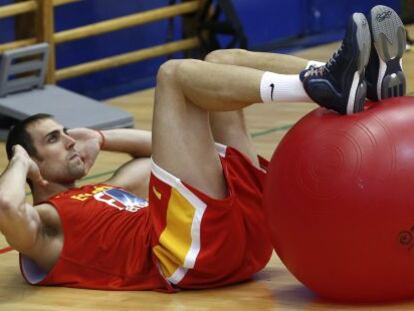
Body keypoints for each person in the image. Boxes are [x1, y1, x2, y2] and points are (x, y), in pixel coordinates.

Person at [0, 5, 406, 291]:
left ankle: (353, 83)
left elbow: (162, 150)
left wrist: (103, 138)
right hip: (190, 258)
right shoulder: (45, 226)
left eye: (65, 131)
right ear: (35, 166)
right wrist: (16, 161)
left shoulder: (117, 187)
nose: (69, 139)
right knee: (173, 74)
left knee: (219, 58)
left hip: (236, 237)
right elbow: (6, 208)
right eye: (54, 139)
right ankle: (323, 87)